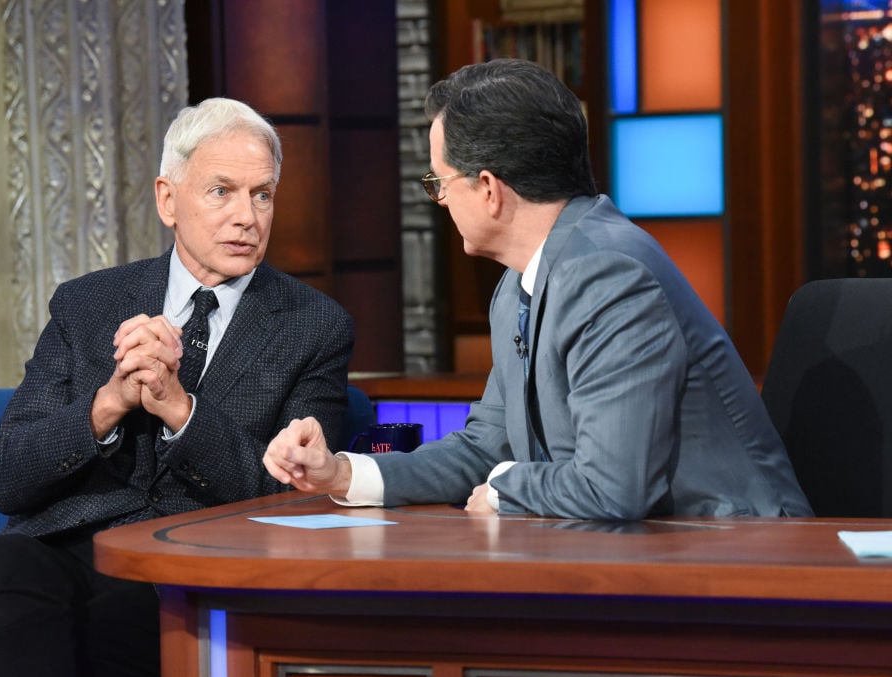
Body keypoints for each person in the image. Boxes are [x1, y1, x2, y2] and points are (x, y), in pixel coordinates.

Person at [263, 58, 811, 521]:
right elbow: (484, 446)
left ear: (488, 189)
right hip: (630, 553)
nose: (441, 202)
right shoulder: (518, 285)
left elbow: (615, 486)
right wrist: (341, 471)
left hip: (739, 557)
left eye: (439, 183)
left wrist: (505, 486)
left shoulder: (606, 274)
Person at [0, 97, 354, 677]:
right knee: (3, 562)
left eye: (262, 193)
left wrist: (178, 408)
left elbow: (291, 494)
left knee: (127, 608)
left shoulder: (314, 326)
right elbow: (6, 476)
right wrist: (109, 402)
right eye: (222, 191)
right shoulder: (86, 303)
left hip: (194, 562)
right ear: (168, 200)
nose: (247, 216)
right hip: (70, 545)